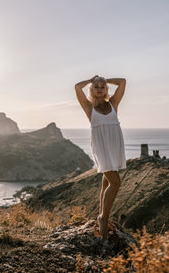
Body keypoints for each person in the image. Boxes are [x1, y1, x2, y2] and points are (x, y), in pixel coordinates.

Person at [74, 75, 127, 238]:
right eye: (96, 86)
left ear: (106, 89)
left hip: (114, 144)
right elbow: (77, 87)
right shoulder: (88, 106)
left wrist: (105, 79)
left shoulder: (113, 103)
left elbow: (123, 82)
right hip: (102, 146)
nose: (99, 89)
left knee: (106, 182)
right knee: (115, 182)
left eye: (102, 87)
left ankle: (101, 214)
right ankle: (103, 218)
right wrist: (91, 79)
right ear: (91, 89)